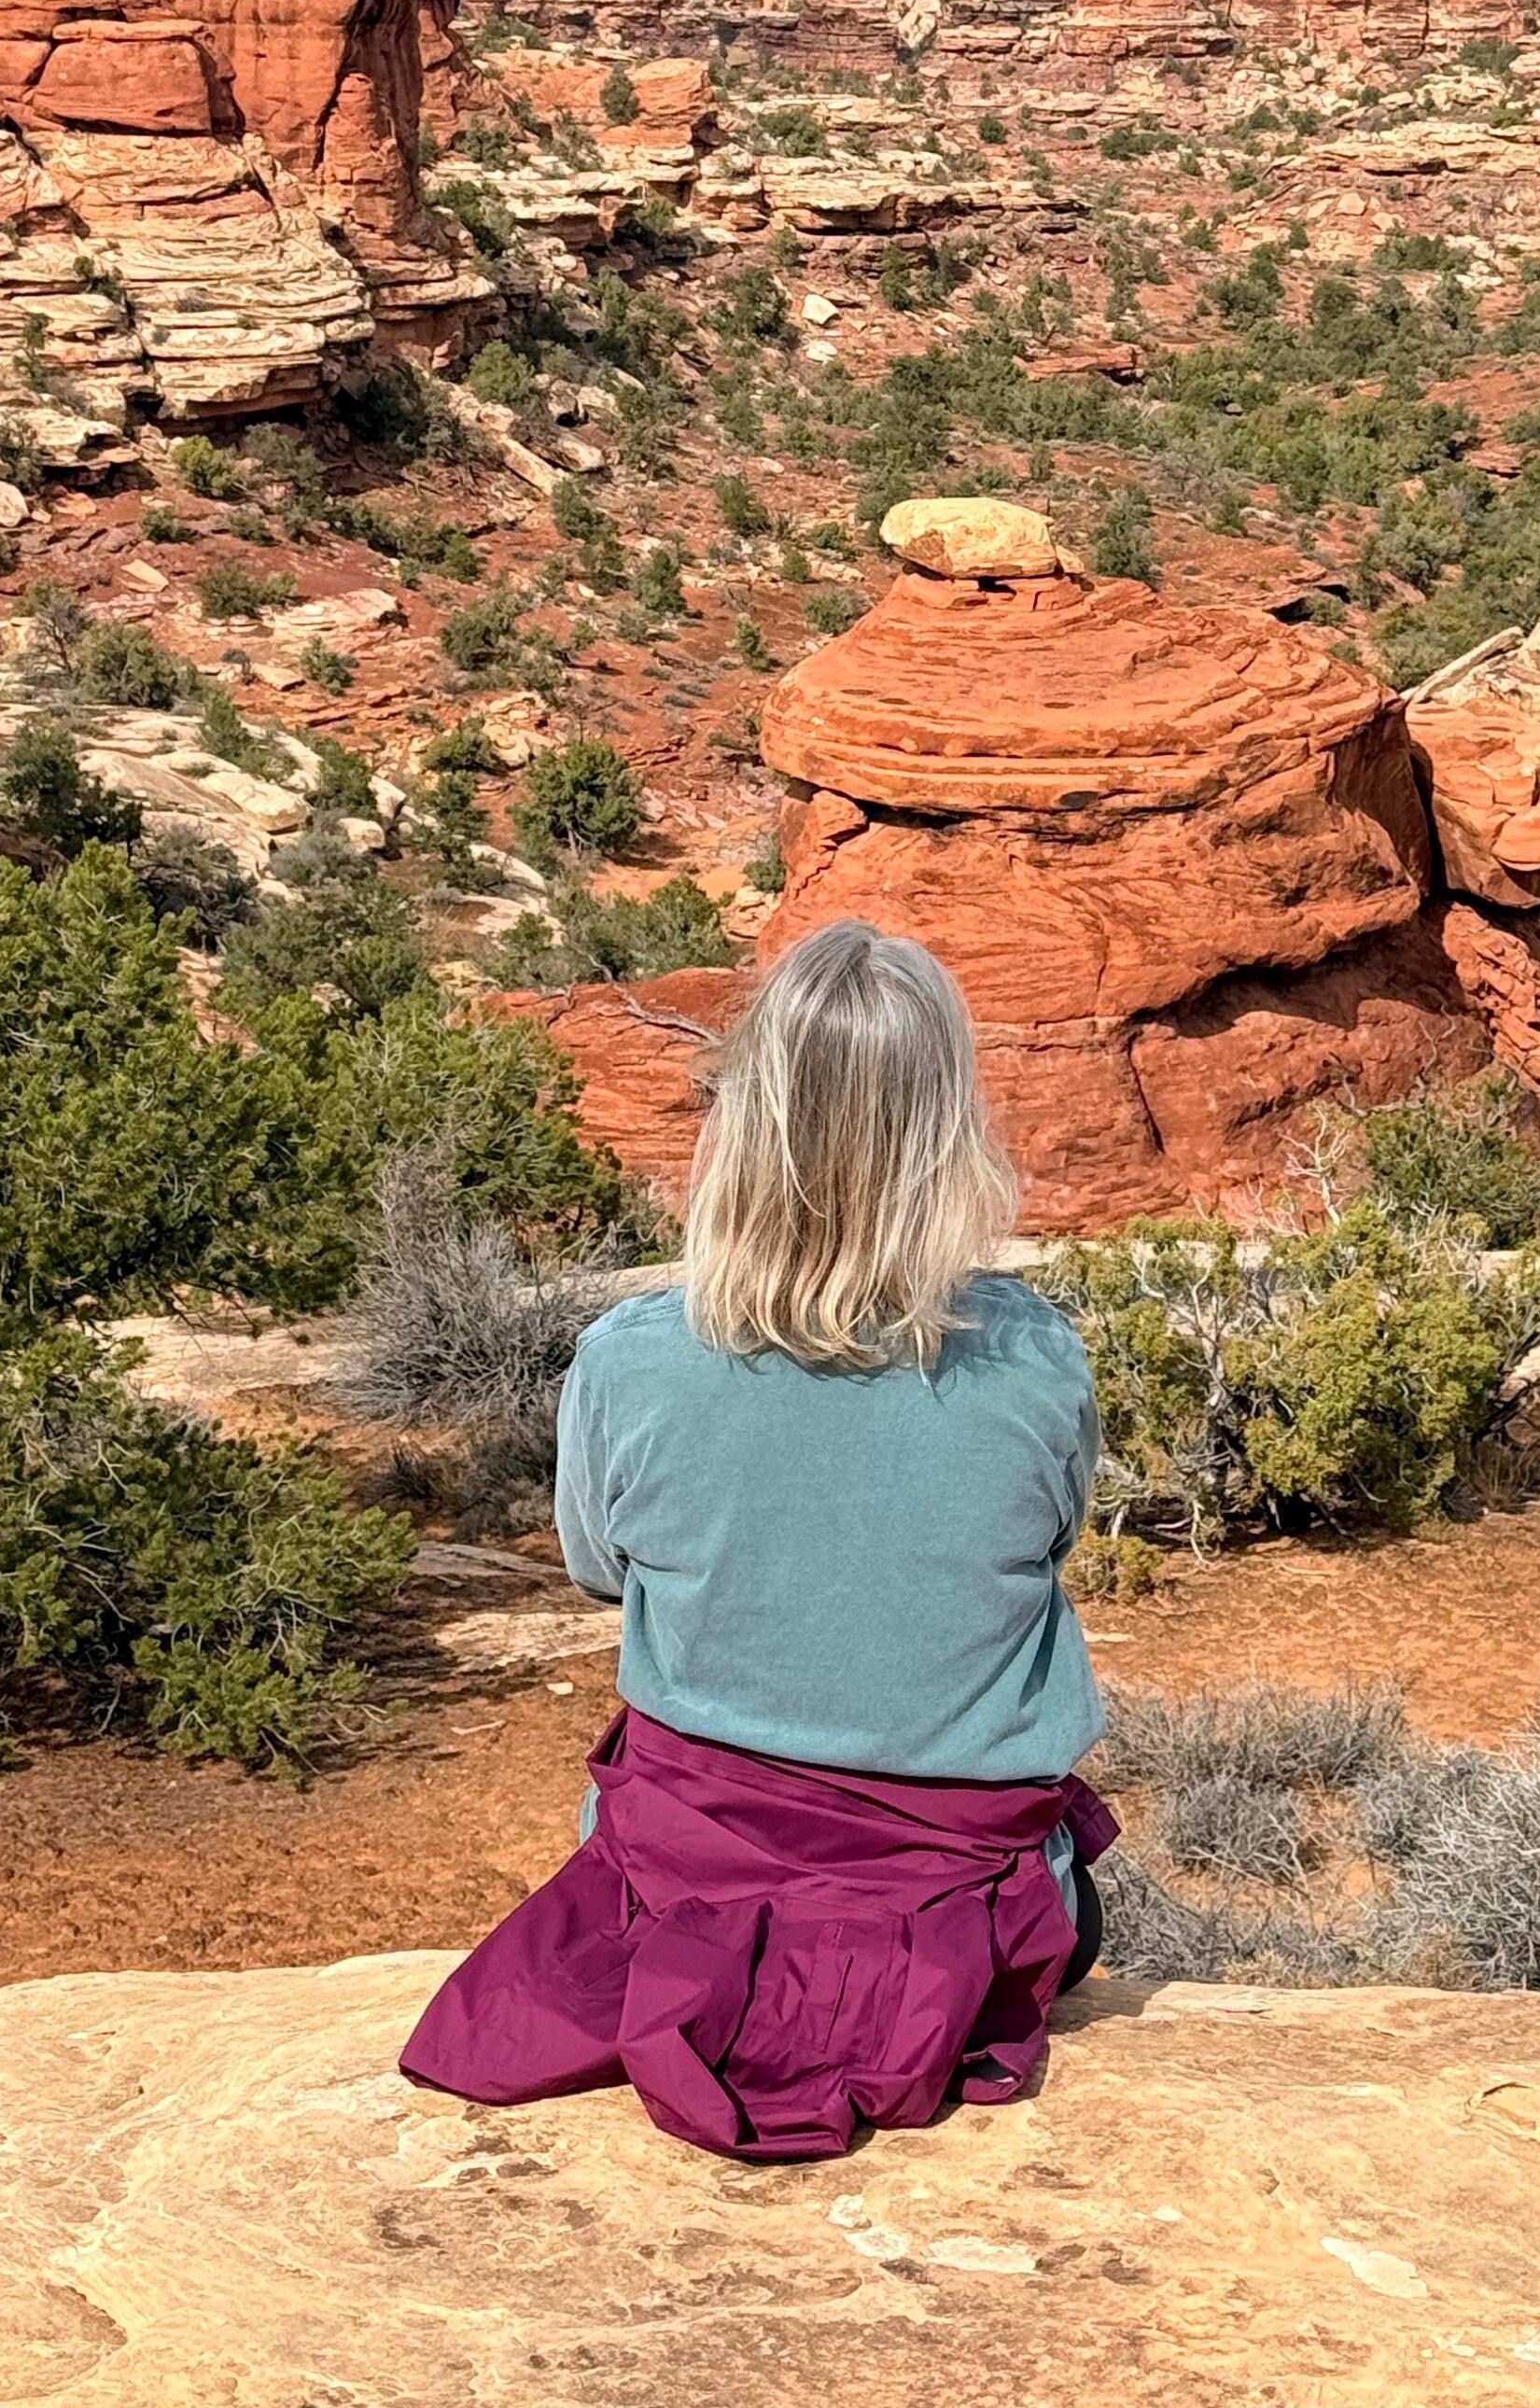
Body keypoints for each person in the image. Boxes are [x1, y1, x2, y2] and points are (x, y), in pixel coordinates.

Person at [400, 917, 1115, 2163]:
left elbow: (599, 1571)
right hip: (959, 1917)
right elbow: (1044, 1551)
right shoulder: (1034, 1356)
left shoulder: (630, 1360)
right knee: (1075, 1903)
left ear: (745, 1120)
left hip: (693, 1901)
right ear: (951, 1132)